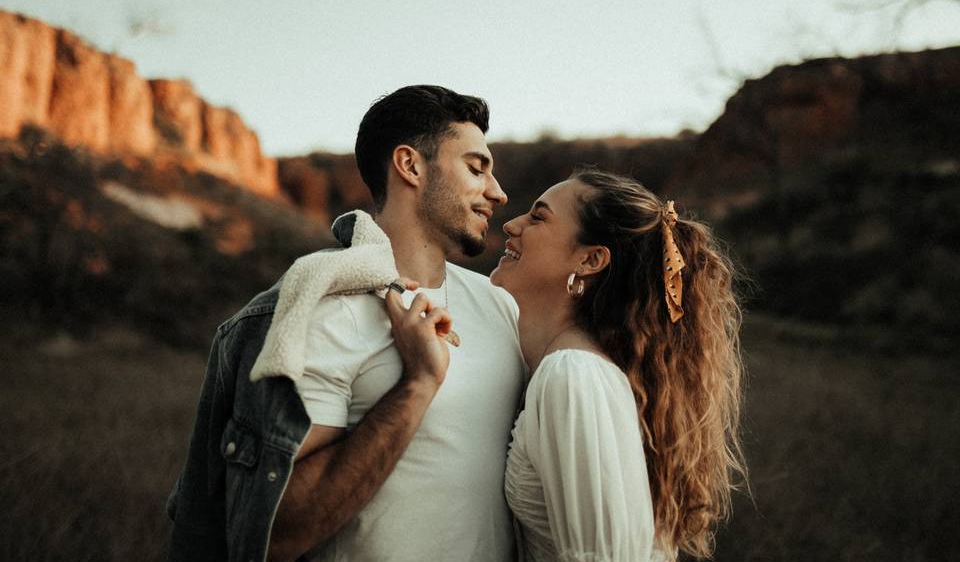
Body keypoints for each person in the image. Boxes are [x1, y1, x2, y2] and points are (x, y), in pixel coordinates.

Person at [166, 85, 525, 562]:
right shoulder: (321, 308)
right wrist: (416, 386)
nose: (498, 193)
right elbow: (273, 534)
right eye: (476, 168)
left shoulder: (498, 305)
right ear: (410, 165)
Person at [486, 169, 747, 561]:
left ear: (590, 259)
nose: (511, 223)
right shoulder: (562, 369)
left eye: (539, 217)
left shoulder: (574, 376)